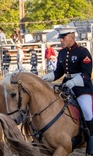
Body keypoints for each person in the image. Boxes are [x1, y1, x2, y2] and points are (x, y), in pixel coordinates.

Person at [41, 26, 93, 155]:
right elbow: (59, 72)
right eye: (61, 38)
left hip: (82, 88)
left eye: (63, 38)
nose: (61, 41)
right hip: (65, 86)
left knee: (87, 111)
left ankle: (91, 138)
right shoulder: (62, 53)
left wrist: (74, 82)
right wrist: (47, 77)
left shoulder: (83, 52)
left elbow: (87, 74)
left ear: (72, 37)